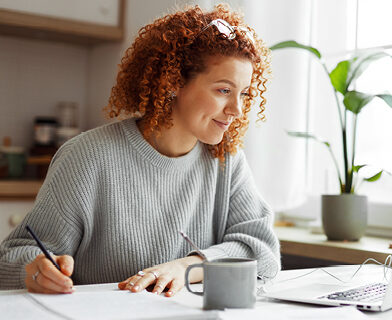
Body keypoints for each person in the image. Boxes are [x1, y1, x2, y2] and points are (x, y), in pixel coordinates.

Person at [0, 4, 280, 297]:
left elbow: (261, 251)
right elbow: (14, 256)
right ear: (173, 82)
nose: (237, 109)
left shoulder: (227, 160)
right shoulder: (86, 157)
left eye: (245, 94)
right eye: (223, 90)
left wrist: (189, 268)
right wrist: (36, 270)